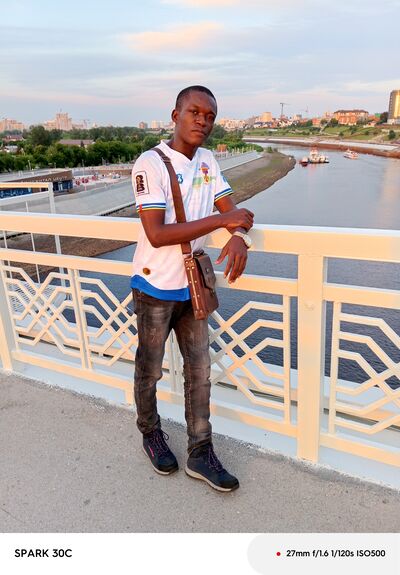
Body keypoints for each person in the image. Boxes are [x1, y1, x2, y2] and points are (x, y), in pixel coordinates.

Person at [131, 85, 254, 492]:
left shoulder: (208, 161)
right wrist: (222, 223)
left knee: (199, 373)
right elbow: (157, 233)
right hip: (154, 285)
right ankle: (151, 432)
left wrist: (239, 236)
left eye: (210, 116)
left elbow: (235, 212)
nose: (203, 121)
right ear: (175, 115)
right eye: (195, 112)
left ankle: (200, 452)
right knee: (150, 368)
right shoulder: (150, 164)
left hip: (192, 287)